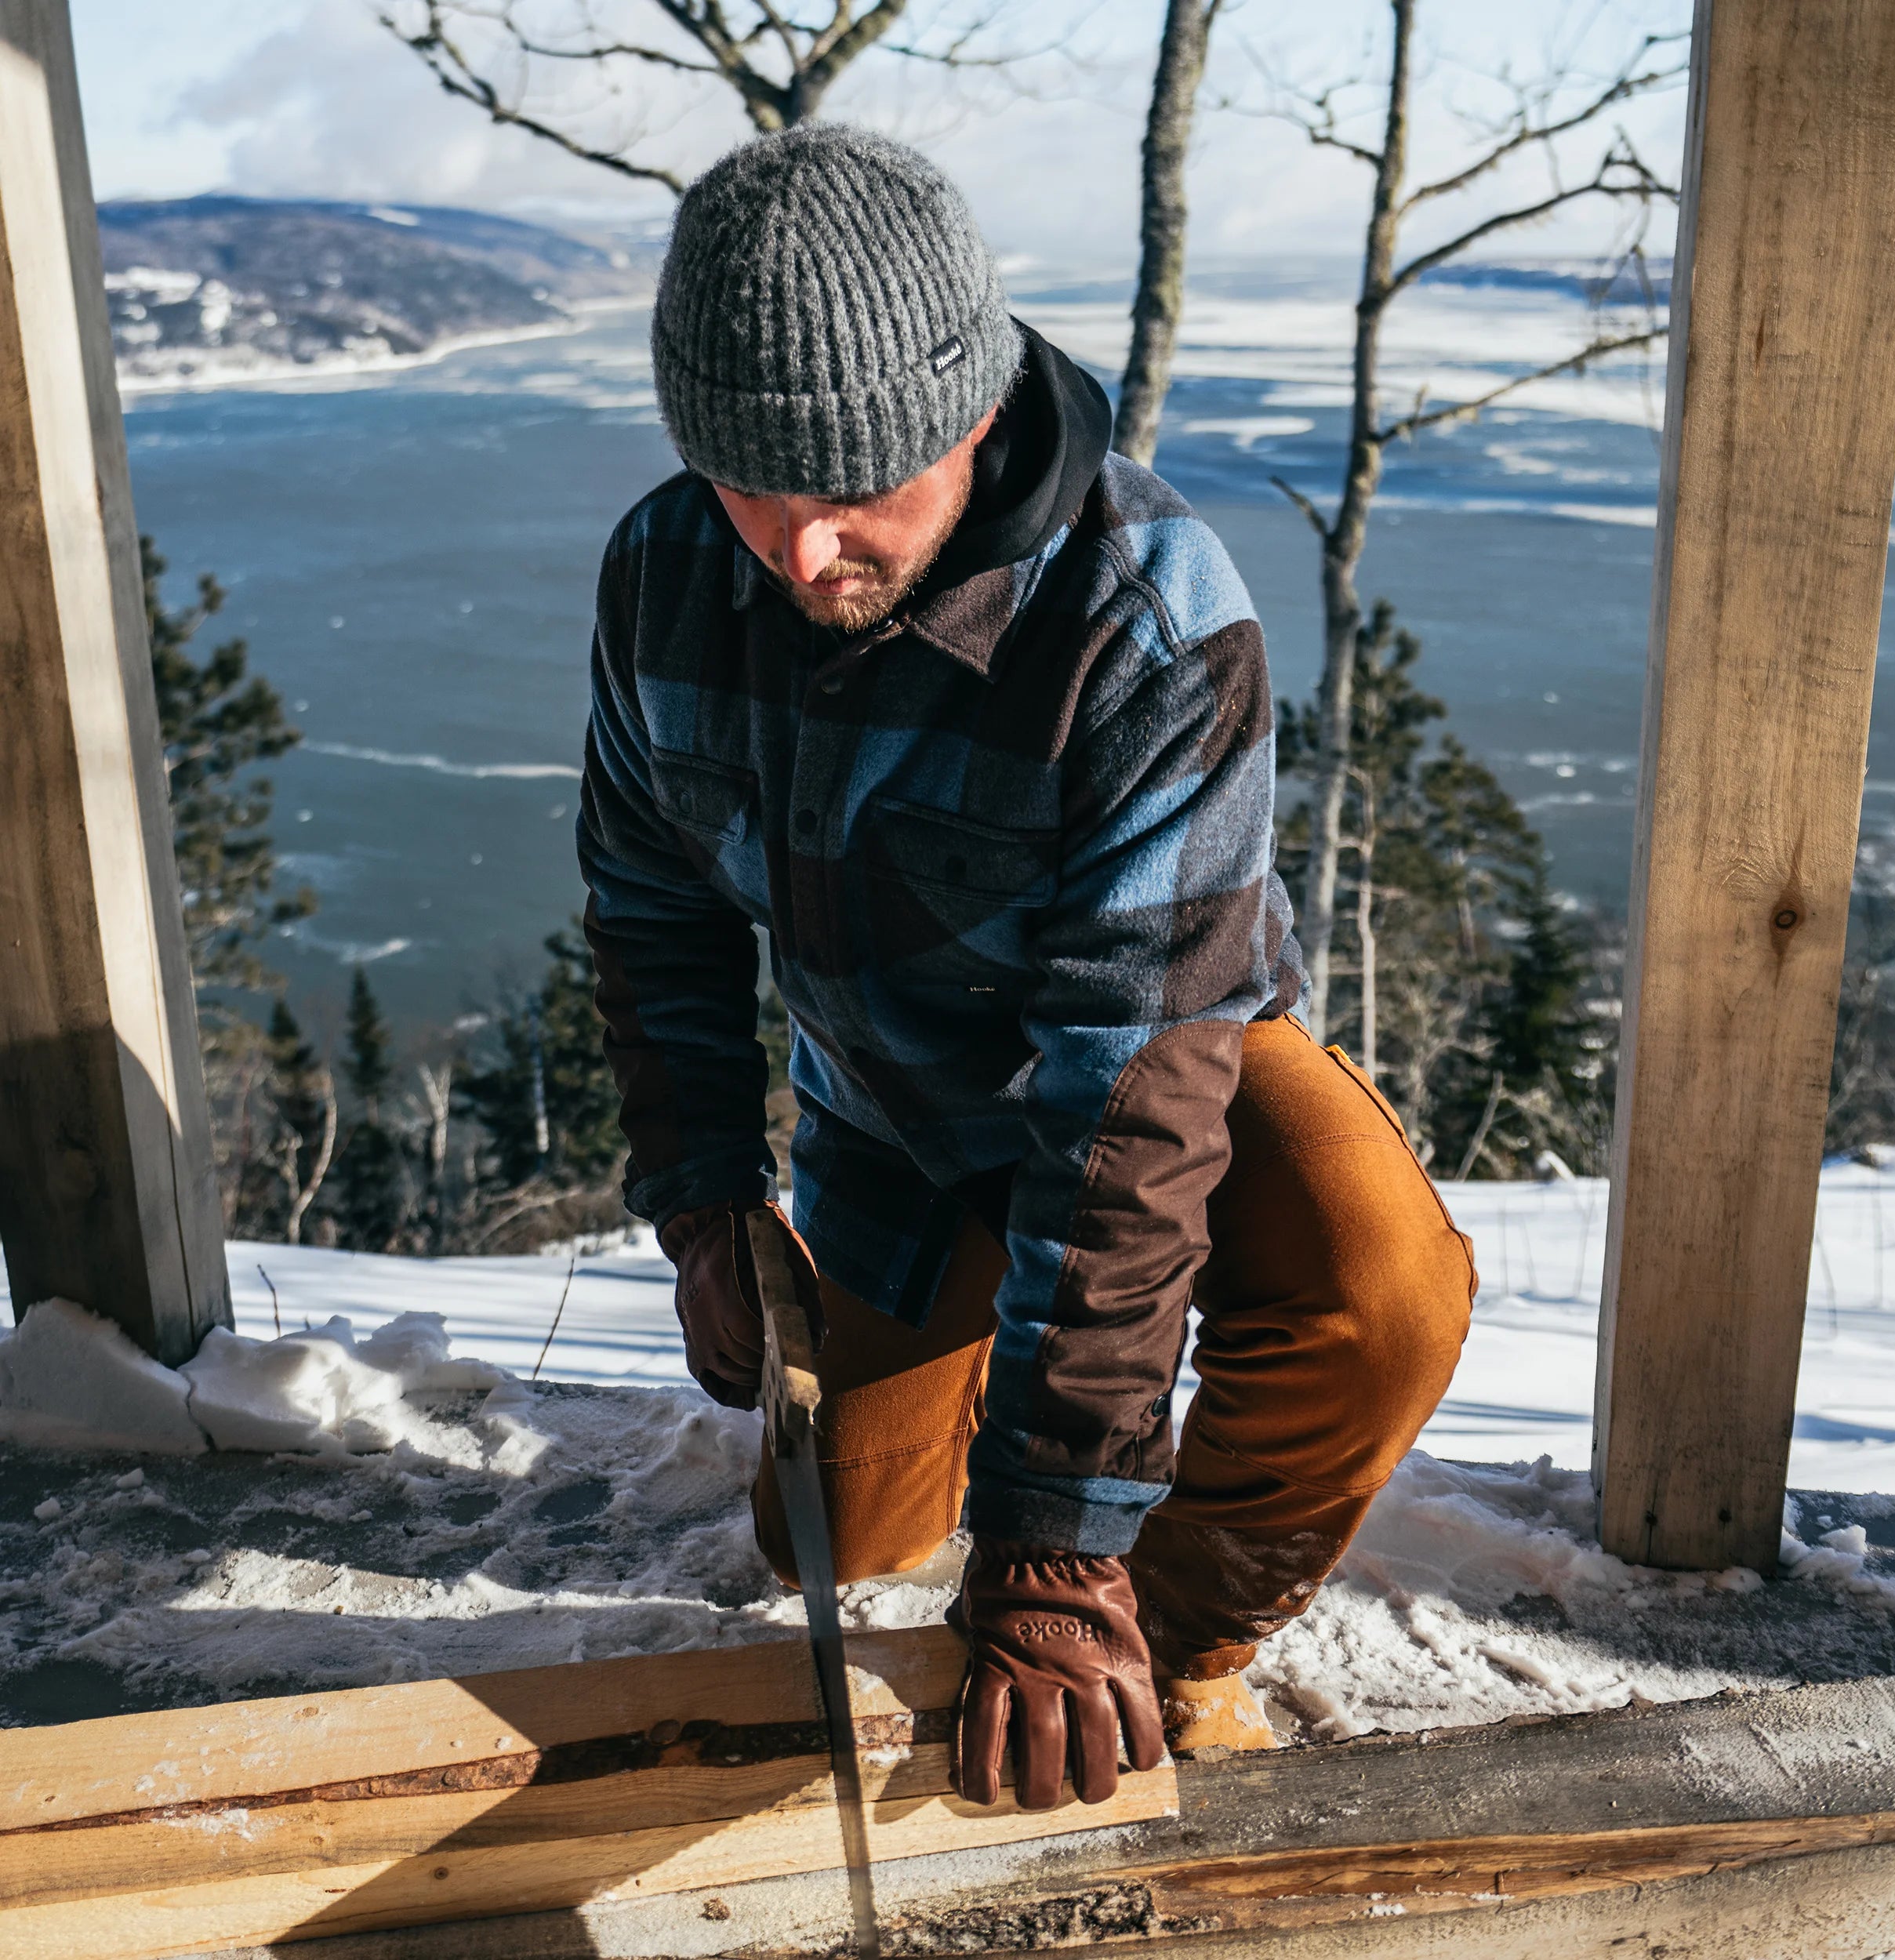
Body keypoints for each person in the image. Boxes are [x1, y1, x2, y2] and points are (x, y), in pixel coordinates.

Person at [579, 124, 1475, 1812]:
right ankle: (987, 1362)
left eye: (853, 494)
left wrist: (1061, 1548)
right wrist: (701, 1196)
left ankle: (1162, 1640)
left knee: (1379, 1285)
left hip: (1160, 1070)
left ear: (969, 418)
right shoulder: (660, 577)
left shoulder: (1147, 621)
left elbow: (1128, 1099)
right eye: (748, 490)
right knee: (830, 1530)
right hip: (896, 1113)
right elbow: (651, 904)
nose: (797, 551)